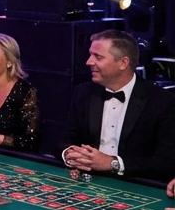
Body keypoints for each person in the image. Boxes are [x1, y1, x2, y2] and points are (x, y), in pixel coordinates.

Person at [61, 30, 175, 181]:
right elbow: (64, 140)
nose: (89, 62)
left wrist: (112, 163)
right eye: (90, 54)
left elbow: (165, 162)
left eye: (98, 57)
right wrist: (71, 154)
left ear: (123, 63)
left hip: (135, 185)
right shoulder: (83, 92)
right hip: (88, 181)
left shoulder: (162, 101)